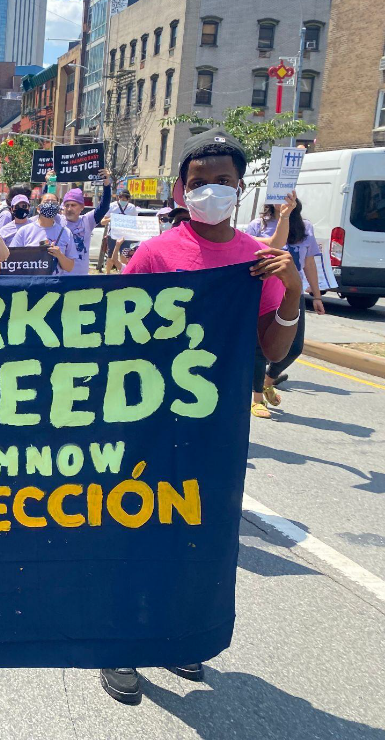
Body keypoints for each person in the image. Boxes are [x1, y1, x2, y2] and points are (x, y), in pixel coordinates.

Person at [107, 129, 302, 704]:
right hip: (144, 421)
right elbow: (111, 328)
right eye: (199, 183)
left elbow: (272, 351)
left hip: (213, 429)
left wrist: (290, 291)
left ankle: (179, 635)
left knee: (195, 534)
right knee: (134, 528)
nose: (210, 192)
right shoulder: (155, 253)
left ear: (240, 189)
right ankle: (120, 644)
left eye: (222, 182)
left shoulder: (254, 258)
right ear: (180, 190)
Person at [249, 192, 326, 417]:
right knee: (259, 347)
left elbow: (309, 262)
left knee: (294, 347)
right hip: (265, 290)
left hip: (293, 291)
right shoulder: (257, 225)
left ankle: (267, 381)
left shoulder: (305, 227)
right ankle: (256, 398)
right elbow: (261, 249)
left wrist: (317, 296)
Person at [60, 168, 112, 275]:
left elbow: (103, 207)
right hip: (61, 278)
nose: (69, 209)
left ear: (82, 207)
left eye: (73, 205)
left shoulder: (87, 221)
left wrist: (106, 184)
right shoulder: (57, 220)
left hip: (81, 278)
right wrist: (50, 182)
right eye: (67, 205)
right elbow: (46, 206)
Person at [8, 195, 77, 274]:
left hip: (54, 284)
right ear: (38, 208)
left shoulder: (66, 233)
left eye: (53, 202)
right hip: (31, 283)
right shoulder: (24, 231)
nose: (50, 204)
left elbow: (69, 267)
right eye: (46, 202)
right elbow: (12, 259)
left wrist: (59, 255)